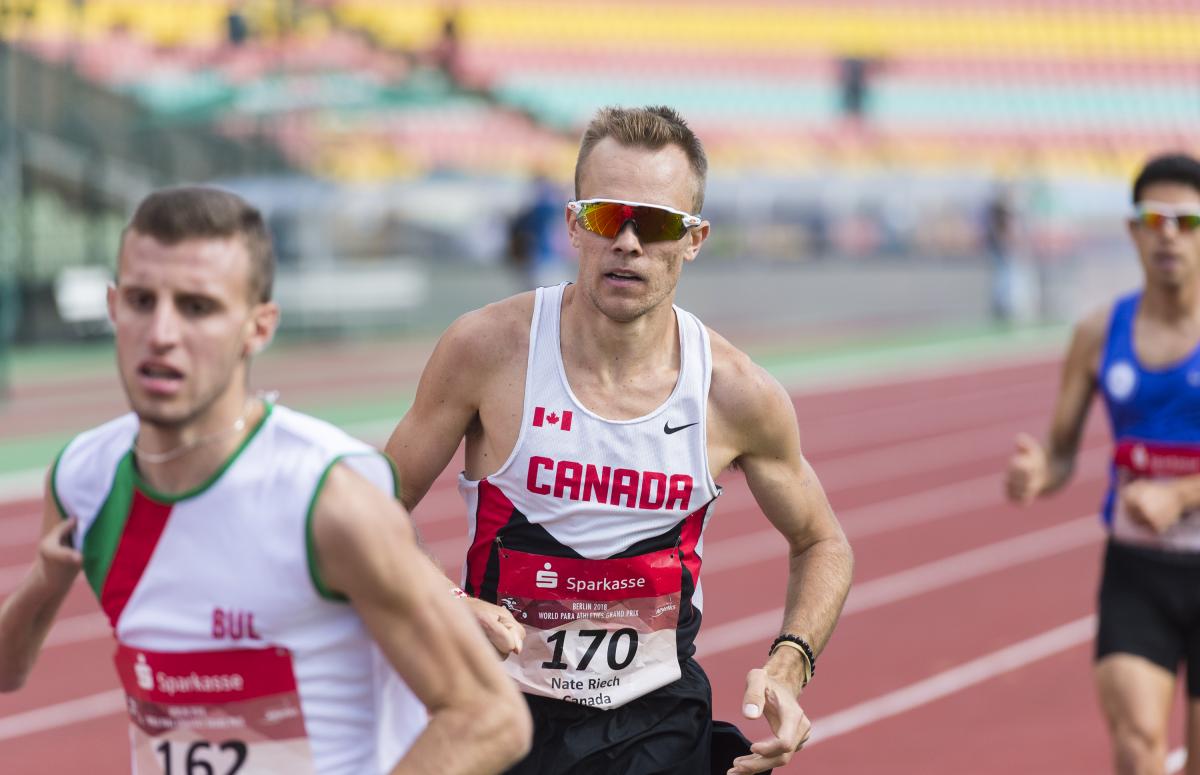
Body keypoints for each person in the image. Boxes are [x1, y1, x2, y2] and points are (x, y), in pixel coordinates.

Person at [385, 105, 854, 775]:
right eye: (608, 216)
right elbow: (373, 501)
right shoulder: (487, 349)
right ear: (575, 223)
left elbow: (823, 540)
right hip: (500, 713)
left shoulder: (734, 390)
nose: (629, 242)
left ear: (694, 239)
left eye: (658, 223)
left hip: (656, 725)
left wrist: (790, 661)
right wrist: (449, 603)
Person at [0, 186, 531, 775]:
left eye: (197, 307)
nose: (162, 332)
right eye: (142, 300)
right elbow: (8, 672)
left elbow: (489, 717)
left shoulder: (328, 495)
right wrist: (46, 583)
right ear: (111, 307)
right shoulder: (83, 477)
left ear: (258, 327)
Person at [1006, 153, 1200, 775]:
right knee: (1138, 745)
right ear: (1133, 230)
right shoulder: (1097, 332)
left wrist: (1180, 496)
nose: (1167, 233)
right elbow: (1062, 450)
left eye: (1185, 220)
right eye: (1153, 218)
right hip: (1136, 567)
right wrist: (1042, 473)